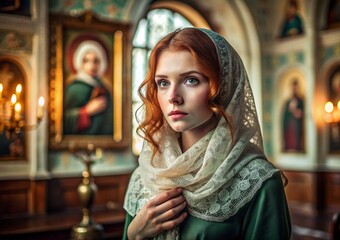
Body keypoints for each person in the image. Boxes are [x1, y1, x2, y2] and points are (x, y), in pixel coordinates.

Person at [123, 28, 291, 239]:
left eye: (190, 80)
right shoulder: (145, 175)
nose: (173, 97)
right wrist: (134, 235)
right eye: (163, 83)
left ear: (224, 87)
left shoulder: (259, 182)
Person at [64, 40, 113, 135]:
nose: (92, 66)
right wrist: (86, 111)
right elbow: (61, 120)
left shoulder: (105, 88)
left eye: (96, 61)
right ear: (80, 62)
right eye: (86, 61)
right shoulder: (74, 89)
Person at [282, 79, 304, 152]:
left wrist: (295, 111)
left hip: (296, 124)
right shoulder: (288, 101)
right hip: (289, 124)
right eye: (293, 87)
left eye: (296, 87)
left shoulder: (300, 100)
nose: (294, 89)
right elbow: (286, 114)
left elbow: (301, 113)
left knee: (296, 136)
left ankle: (297, 148)